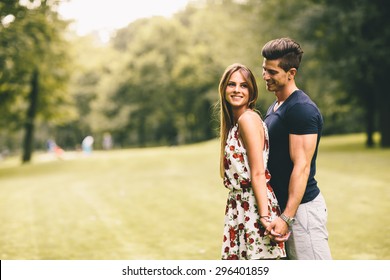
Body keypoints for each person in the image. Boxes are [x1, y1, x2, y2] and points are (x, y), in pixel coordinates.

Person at [261, 37, 332, 259]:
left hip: (301, 212)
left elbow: (301, 167)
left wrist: (287, 218)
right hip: (284, 210)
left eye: (272, 72)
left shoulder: (301, 109)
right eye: (264, 69)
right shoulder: (276, 106)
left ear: (291, 73)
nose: (265, 76)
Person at [218, 63, 287, 260]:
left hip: (253, 207)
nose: (237, 90)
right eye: (232, 84)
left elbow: (258, 172)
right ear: (224, 89)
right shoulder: (238, 123)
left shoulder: (247, 120)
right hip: (240, 207)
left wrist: (264, 217)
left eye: (243, 85)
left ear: (252, 92)